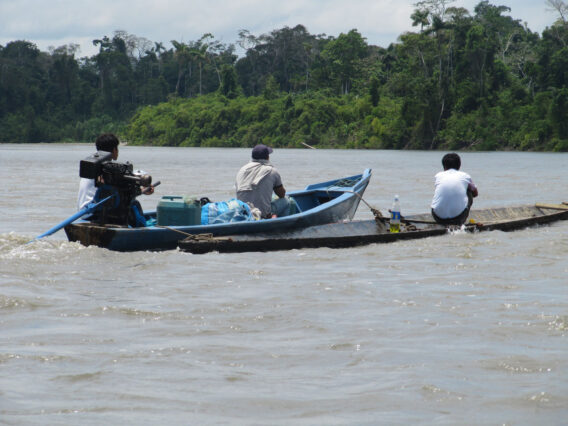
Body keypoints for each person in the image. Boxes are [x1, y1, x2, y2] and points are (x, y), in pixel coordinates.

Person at [77, 133, 154, 210]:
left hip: (83, 211)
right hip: (92, 211)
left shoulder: (91, 165)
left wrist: (143, 190)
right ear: (114, 150)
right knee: (134, 204)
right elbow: (122, 191)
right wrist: (143, 189)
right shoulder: (107, 169)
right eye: (117, 148)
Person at [235, 144, 290, 219]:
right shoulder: (272, 171)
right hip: (262, 214)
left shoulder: (242, 170)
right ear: (267, 157)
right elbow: (281, 194)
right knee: (287, 201)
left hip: (243, 212)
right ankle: (282, 225)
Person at [431, 152, 478, 225]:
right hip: (458, 219)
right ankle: (462, 220)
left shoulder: (438, 175)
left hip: (437, 217)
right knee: (469, 191)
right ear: (459, 166)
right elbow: (475, 193)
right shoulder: (465, 176)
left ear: (444, 166)